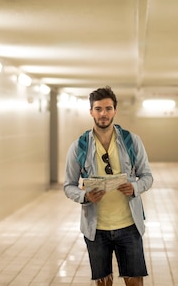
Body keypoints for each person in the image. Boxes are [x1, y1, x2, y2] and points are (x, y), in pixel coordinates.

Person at [64, 86, 153, 286]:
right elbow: (68, 186)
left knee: (135, 282)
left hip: (129, 225)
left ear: (115, 110)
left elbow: (147, 176)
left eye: (108, 108)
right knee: (104, 282)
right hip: (96, 229)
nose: (103, 114)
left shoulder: (132, 141)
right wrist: (85, 197)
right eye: (98, 109)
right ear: (91, 112)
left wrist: (135, 188)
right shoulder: (79, 147)